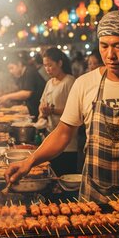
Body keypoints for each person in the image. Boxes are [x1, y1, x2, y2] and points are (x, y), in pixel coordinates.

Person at [5, 10, 119, 202]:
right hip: (94, 194)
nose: (110, 55)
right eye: (104, 46)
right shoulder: (85, 83)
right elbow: (64, 132)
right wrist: (29, 162)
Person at [39, 47, 78, 175]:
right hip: (51, 136)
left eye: (50, 65)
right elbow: (42, 103)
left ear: (60, 63)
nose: (47, 69)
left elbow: (76, 111)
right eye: (45, 66)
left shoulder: (69, 81)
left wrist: (53, 111)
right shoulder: (49, 83)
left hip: (67, 142)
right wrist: (42, 113)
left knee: (65, 177)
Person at [0, 52, 46, 120]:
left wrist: (7, 97)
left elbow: (27, 93)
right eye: (9, 69)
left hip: (40, 112)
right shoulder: (22, 74)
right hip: (34, 110)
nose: (10, 71)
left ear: (19, 64)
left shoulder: (29, 72)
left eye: (12, 68)